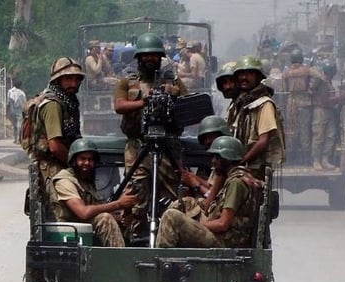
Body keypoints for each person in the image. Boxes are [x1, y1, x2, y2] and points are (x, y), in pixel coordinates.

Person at [113, 32, 188, 227]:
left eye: (154, 55)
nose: (149, 58)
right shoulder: (127, 81)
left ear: (160, 57)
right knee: (136, 193)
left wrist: (173, 98)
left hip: (168, 145)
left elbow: (189, 106)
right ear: (138, 58)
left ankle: (172, 231)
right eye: (145, 55)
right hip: (139, 146)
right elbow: (119, 106)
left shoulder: (173, 81)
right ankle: (134, 231)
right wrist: (143, 102)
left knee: (174, 195)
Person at [156, 136, 258, 248]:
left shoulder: (236, 183)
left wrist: (196, 225)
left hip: (223, 241)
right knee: (187, 202)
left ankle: (162, 258)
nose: (213, 161)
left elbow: (223, 224)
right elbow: (208, 204)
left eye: (217, 157)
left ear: (227, 159)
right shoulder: (234, 176)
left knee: (171, 217)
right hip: (223, 234)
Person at [52, 139, 137, 247]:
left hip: (86, 226)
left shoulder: (86, 180)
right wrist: (118, 204)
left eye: (90, 159)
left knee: (121, 222)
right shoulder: (64, 180)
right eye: (82, 159)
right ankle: (121, 261)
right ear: (74, 160)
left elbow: (95, 209)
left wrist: (121, 219)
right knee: (105, 219)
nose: (87, 163)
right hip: (69, 231)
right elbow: (83, 213)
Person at [30, 57, 85, 213]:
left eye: (76, 79)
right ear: (58, 80)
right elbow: (55, 146)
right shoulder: (53, 105)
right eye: (68, 79)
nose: (73, 84)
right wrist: (77, 165)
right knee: (67, 214)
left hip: (61, 164)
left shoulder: (69, 102)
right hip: (54, 167)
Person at [230, 55, 286, 178]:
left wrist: (242, 162)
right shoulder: (240, 102)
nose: (244, 78)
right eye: (241, 74)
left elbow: (263, 141)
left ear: (257, 77)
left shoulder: (264, 104)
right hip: (240, 163)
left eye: (249, 74)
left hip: (254, 167)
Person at [281, 48, 322, 165]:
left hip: (291, 103)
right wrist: (311, 87)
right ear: (301, 58)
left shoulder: (286, 73)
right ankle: (306, 160)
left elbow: (283, 90)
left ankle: (291, 160)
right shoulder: (306, 70)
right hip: (305, 103)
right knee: (305, 132)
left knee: (291, 131)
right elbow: (318, 76)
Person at [311, 60, 345, 170]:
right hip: (321, 111)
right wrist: (339, 98)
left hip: (329, 111)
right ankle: (316, 160)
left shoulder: (329, 82)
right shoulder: (322, 82)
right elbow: (324, 99)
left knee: (331, 136)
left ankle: (325, 159)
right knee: (319, 136)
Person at [7, 79, 27, 144]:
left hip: (11, 109)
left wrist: (8, 110)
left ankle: (15, 139)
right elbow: (24, 103)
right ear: (20, 85)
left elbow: (8, 102)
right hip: (19, 110)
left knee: (14, 125)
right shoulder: (22, 93)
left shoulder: (10, 91)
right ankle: (18, 139)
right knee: (19, 125)